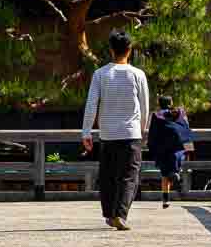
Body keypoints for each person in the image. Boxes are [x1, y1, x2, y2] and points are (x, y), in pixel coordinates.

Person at [80, 29, 150, 231]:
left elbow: (91, 104)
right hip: (131, 133)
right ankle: (120, 214)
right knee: (128, 176)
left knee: (108, 175)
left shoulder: (100, 74)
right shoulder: (138, 75)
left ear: (111, 50)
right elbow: (144, 106)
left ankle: (110, 214)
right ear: (130, 50)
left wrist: (86, 132)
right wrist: (143, 130)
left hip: (108, 134)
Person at [146, 96, 195, 208]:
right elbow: (185, 127)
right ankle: (175, 175)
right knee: (173, 169)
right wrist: (188, 145)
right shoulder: (179, 113)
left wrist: (151, 146)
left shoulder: (156, 115)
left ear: (159, 104)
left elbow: (153, 132)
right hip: (177, 147)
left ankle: (165, 200)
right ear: (171, 103)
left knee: (164, 173)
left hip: (162, 148)